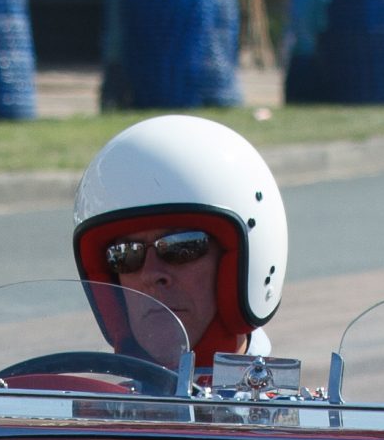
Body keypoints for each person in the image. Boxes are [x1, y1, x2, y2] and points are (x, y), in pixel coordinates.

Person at [71, 115, 290, 370]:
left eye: (181, 247)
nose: (150, 274)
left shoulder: (284, 399)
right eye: (125, 255)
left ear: (240, 266)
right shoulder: (82, 395)